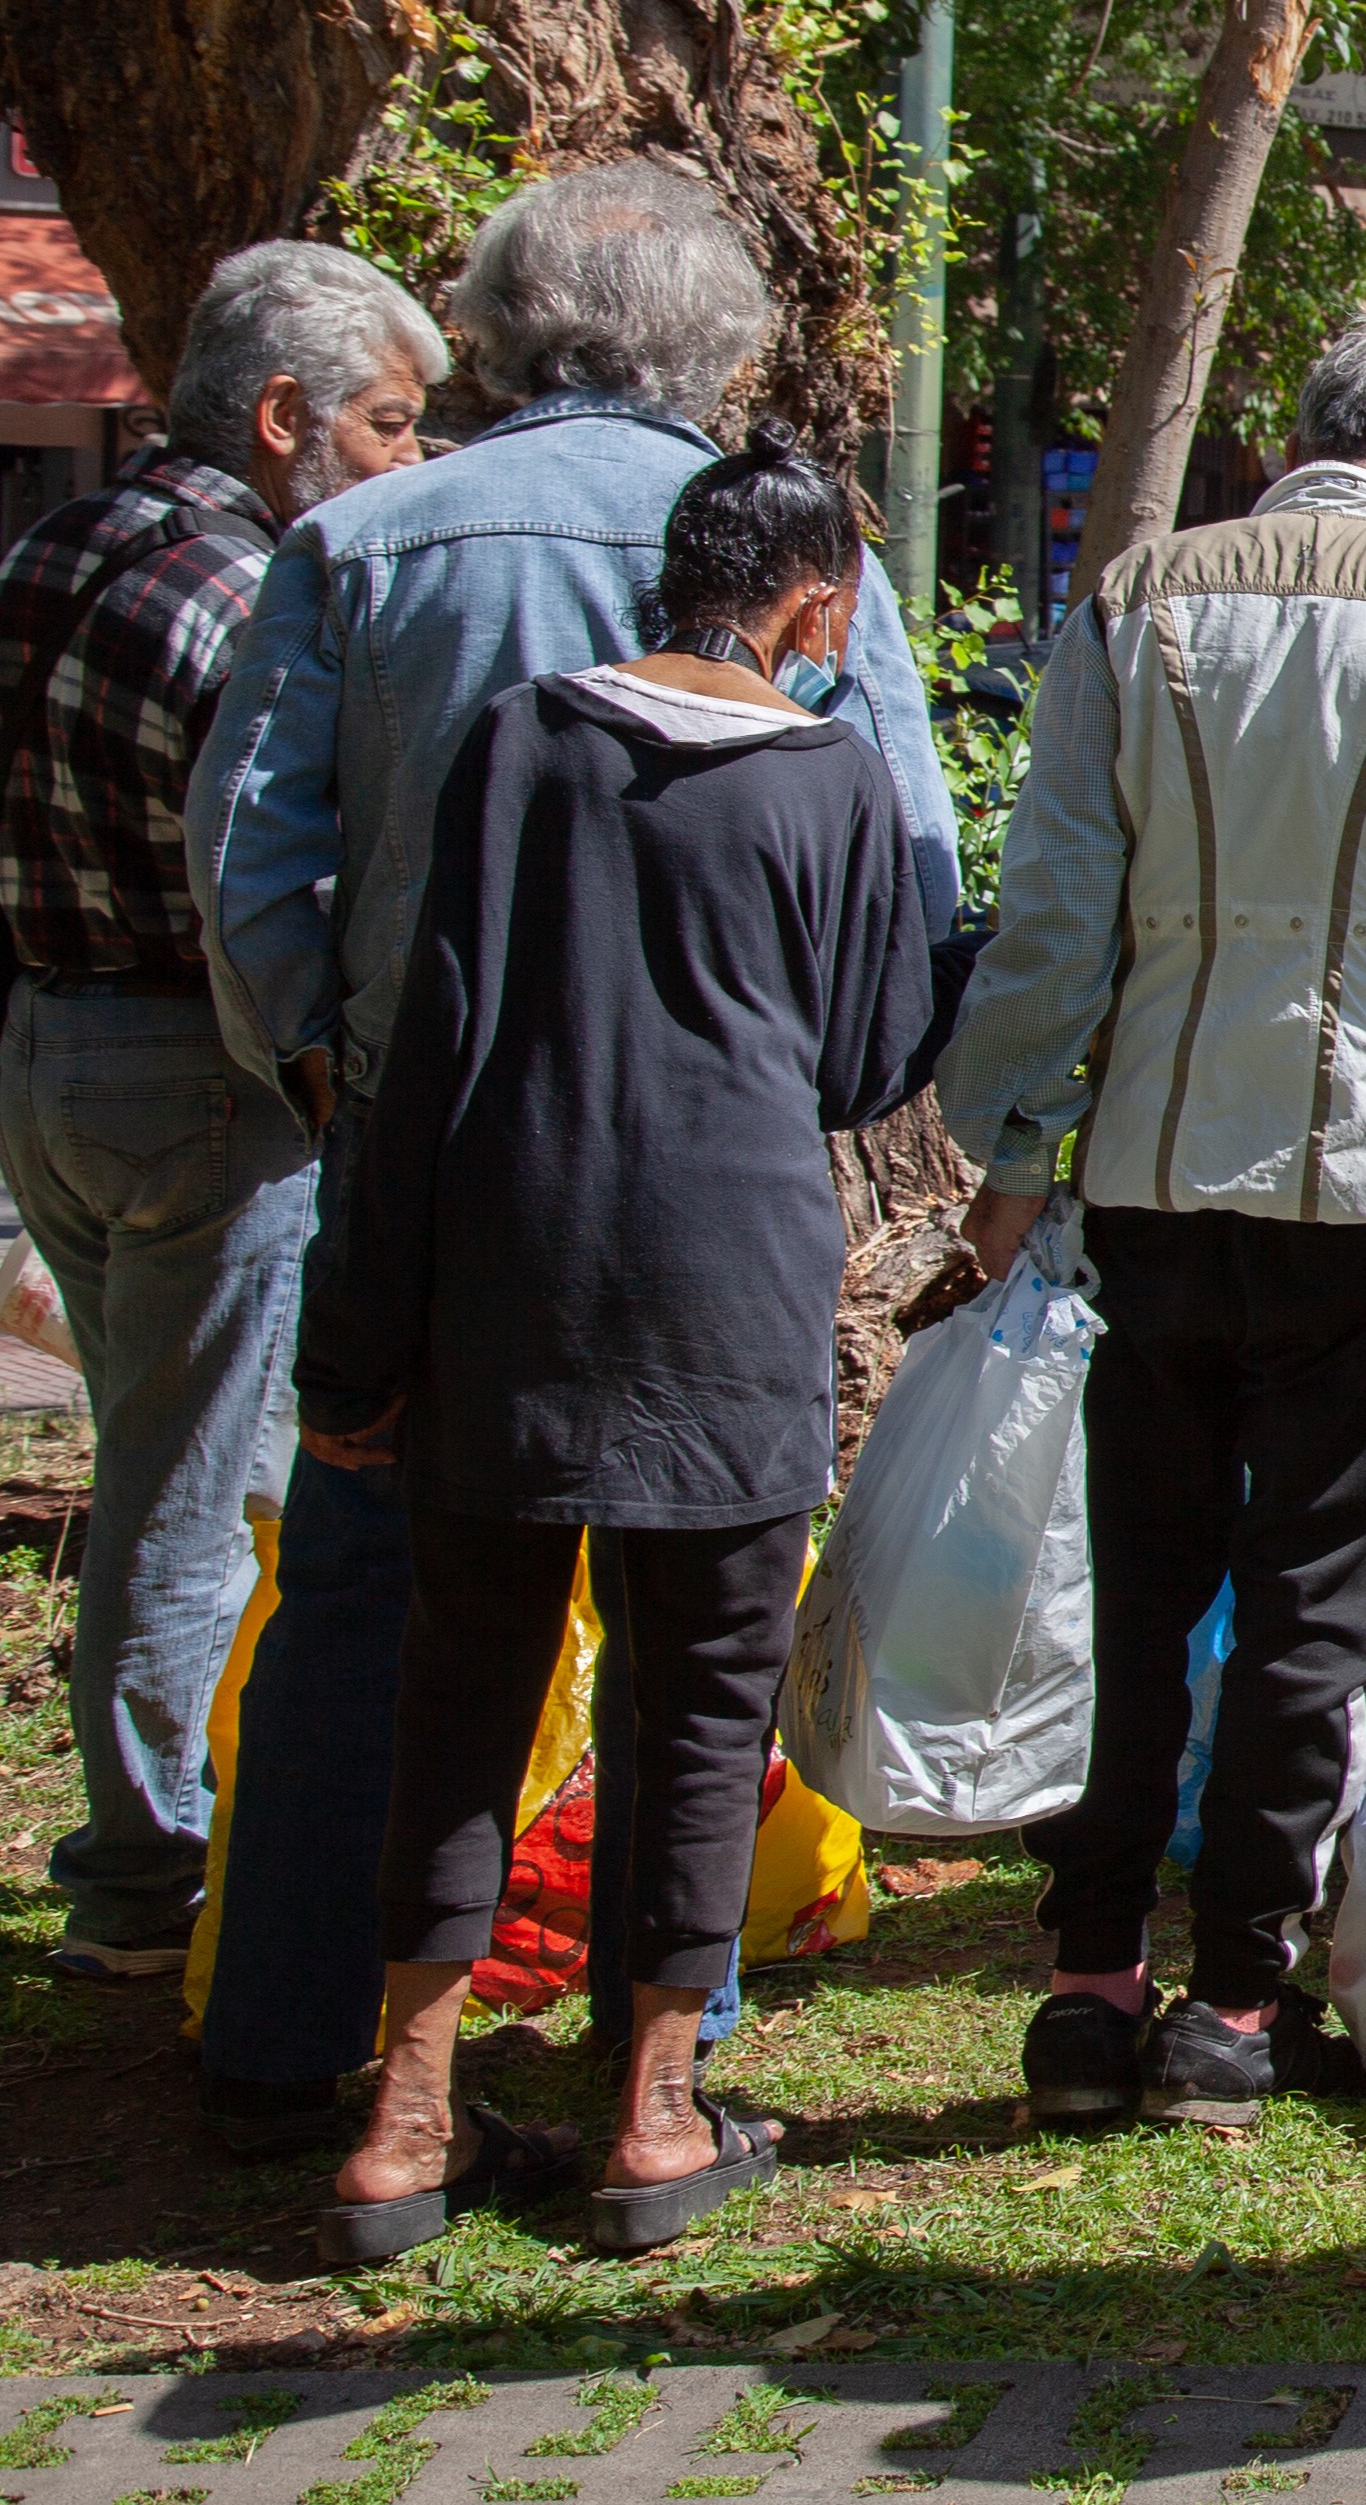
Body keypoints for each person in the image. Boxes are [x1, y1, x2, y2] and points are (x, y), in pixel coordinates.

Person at [185, 160, 960, 2156]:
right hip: (718, 1210)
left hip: (438, 1180)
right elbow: (915, 866)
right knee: (694, 1659)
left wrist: (335, 1092)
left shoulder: (362, 537)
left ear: (503, 329)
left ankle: (305, 2051)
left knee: (385, 1621)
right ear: (723, 354)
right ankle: (647, 2089)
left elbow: (255, 865)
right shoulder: (806, 562)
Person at [939, 313, 1366, 2131]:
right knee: (1319, 1596)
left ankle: (1089, 1981)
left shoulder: (1136, 603)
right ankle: (1236, 1999)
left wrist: (1011, 1138)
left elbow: (1057, 893)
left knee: (1139, 1577)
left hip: (1152, 1170)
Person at [303, 430, 928, 2265]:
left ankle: (402, 2121)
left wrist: (355, 1356)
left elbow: (427, 1053)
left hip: (514, 1277)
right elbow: (868, 1053)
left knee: (464, 1689)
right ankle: (655, 2115)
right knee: (702, 1700)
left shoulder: (521, 738)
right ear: (814, 606)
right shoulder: (830, 775)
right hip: (727, 1289)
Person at [0, 244, 439, 1986]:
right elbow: (270, 876)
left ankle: (185, 1818)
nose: (412, 459)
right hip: (198, 1068)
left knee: (167, 1453)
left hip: (52, 1043)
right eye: (392, 421)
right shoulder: (243, 590)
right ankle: (153, 1866)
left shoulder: (51, 540)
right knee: (190, 1487)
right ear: (283, 418)